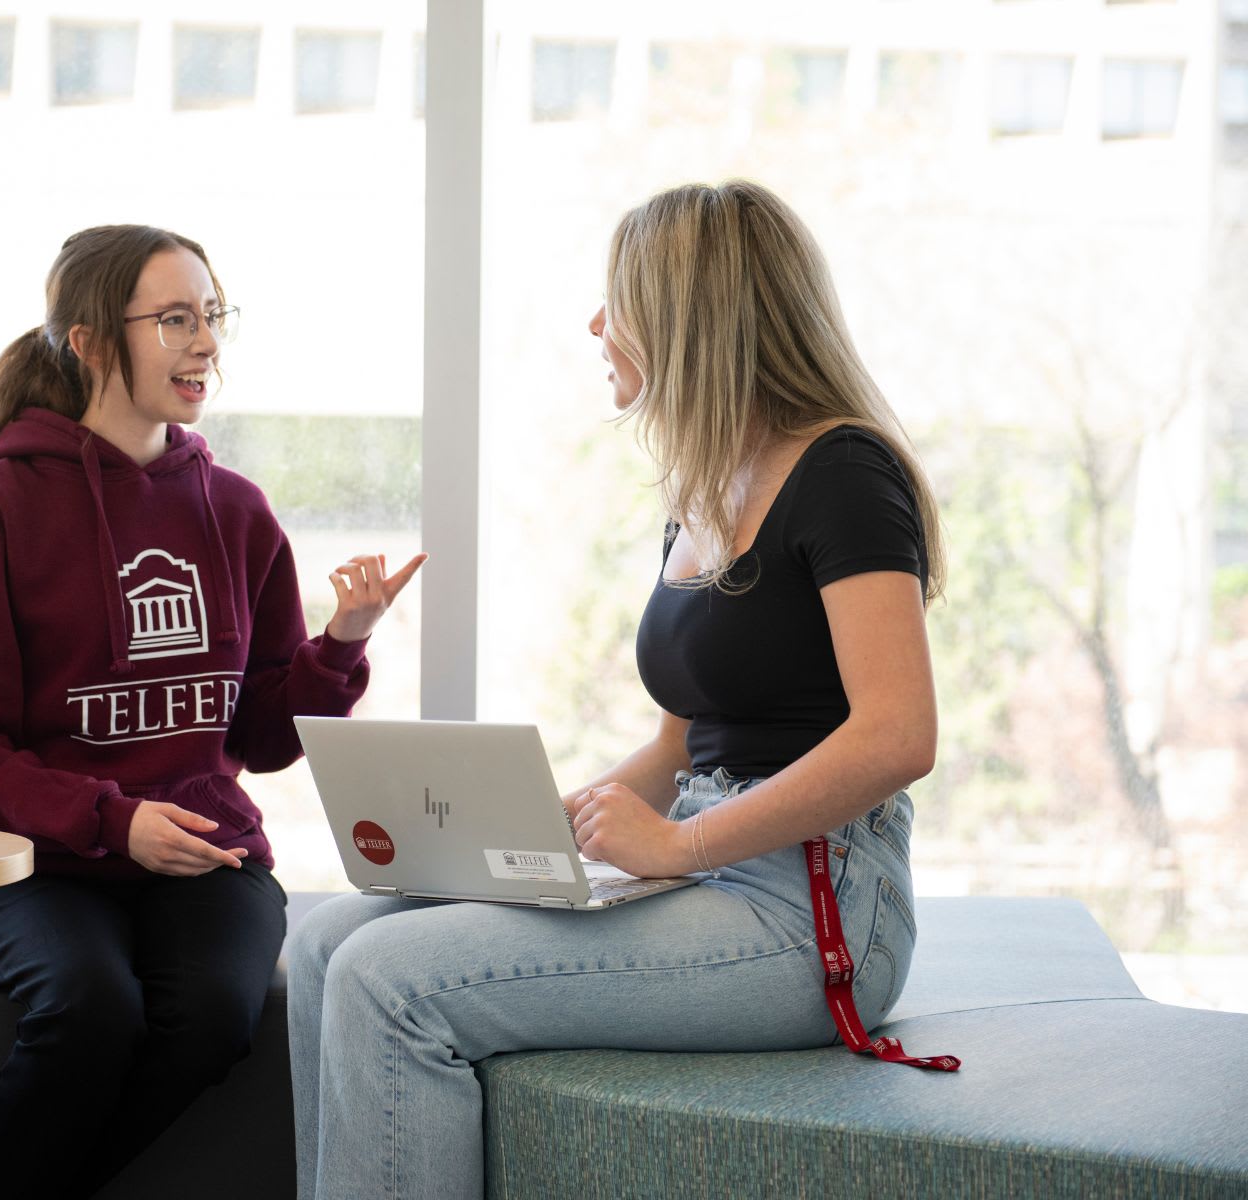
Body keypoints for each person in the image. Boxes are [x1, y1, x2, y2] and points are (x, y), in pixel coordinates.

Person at [286, 179, 954, 1199]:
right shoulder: (701, 488)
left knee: (393, 982)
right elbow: (683, 744)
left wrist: (683, 843)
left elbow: (899, 736)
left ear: (693, 318)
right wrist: (541, 828)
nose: (597, 325)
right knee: (330, 938)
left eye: (621, 301)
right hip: (707, 869)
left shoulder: (843, 474)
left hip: (814, 906)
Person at [0, 224, 424, 1200]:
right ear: (92, 342)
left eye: (212, 317)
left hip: (206, 856)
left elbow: (263, 739)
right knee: (90, 1008)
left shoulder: (234, 510)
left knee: (218, 1015)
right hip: (40, 866)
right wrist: (114, 822)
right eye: (176, 320)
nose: (206, 344)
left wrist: (342, 641)